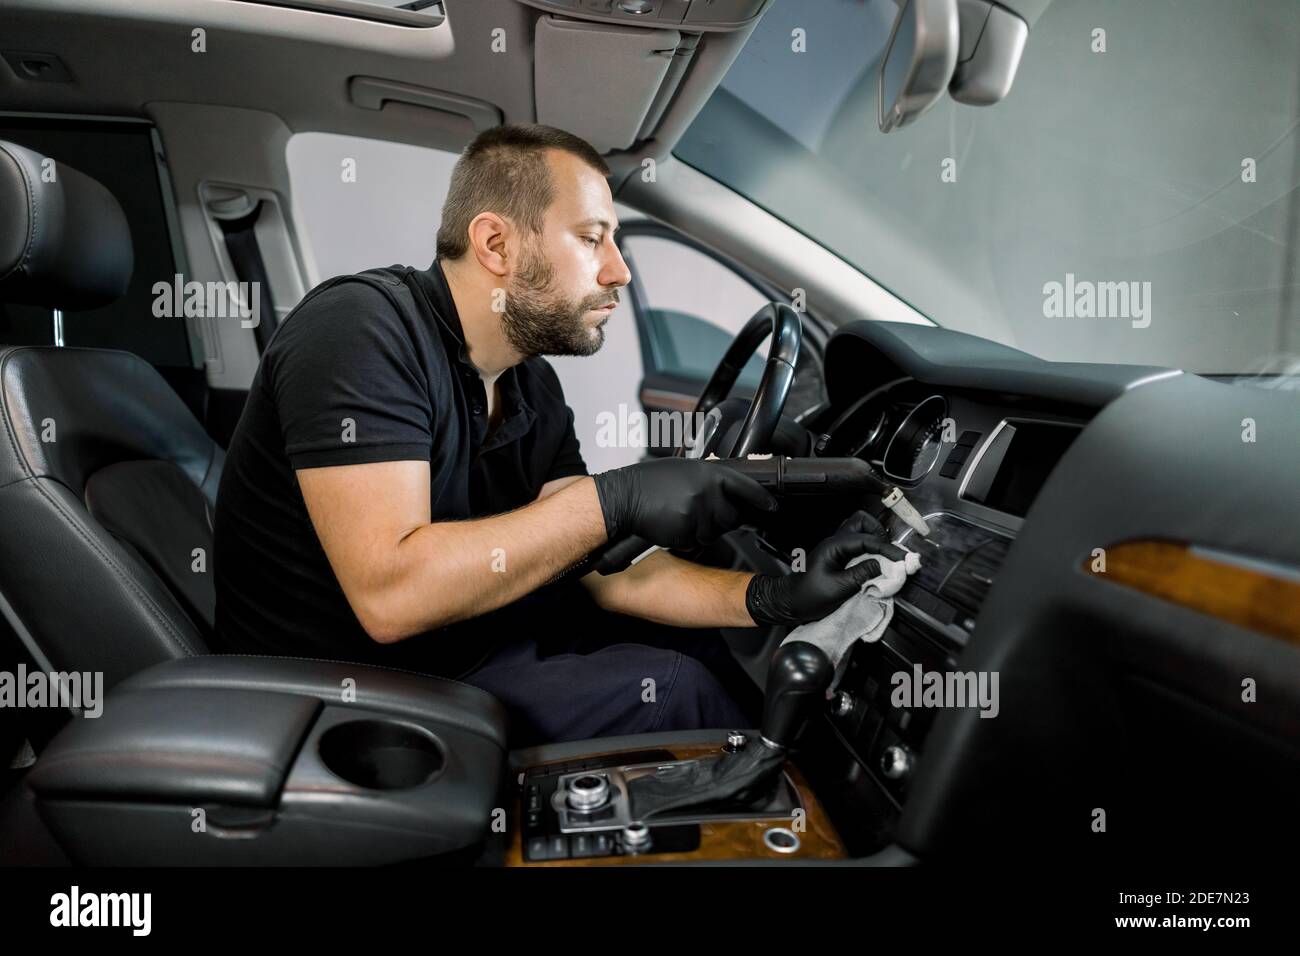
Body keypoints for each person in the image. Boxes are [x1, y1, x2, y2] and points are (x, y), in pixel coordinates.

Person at [213, 123, 898, 746]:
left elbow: (603, 568)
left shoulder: (527, 382)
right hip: (342, 696)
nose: (618, 271)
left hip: (463, 647)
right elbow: (391, 595)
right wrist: (618, 498)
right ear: (496, 243)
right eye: (592, 237)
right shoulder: (359, 330)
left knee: (698, 651)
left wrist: (770, 598)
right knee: (674, 698)